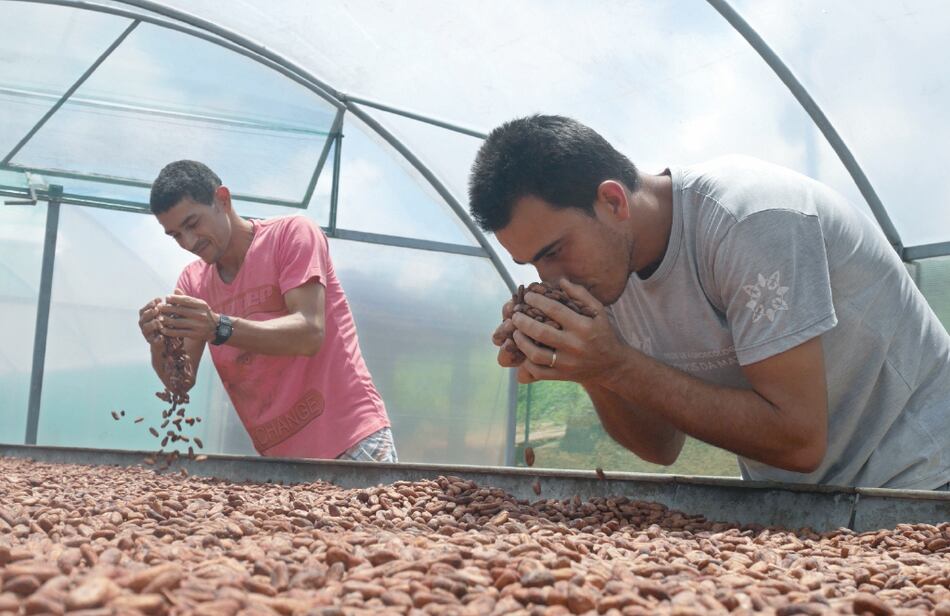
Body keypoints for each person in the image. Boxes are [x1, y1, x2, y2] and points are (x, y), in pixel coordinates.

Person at [469, 114, 950, 489]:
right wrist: (590, 370)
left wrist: (615, 365)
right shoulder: (605, 271)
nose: (551, 279)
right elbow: (660, 447)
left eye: (554, 251)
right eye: (532, 263)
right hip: (800, 502)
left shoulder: (750, 220)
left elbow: (800, 440)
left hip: (922, 475)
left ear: (613, 202)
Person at [137, 160, 396, 462]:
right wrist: (158, 344)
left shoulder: (291, 235)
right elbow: (179, 384)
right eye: (176, 235)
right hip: (281, 461)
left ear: (222, 199)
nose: (189, 242)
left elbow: (309, 333)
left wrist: (219, 328)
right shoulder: (192, 282)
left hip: (351, 442)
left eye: (193, 224)